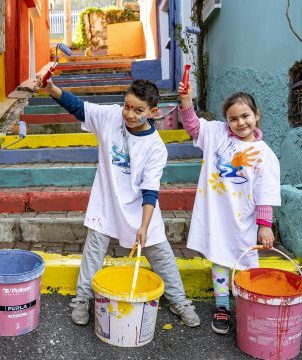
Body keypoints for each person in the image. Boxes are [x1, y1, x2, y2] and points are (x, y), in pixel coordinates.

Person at [36, 77, 201, 327]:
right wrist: (51, 89)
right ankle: (82, 299)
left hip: (140, 209)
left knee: (162, 254)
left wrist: (144, 226)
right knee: (93, 251)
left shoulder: (156, 148)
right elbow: (78, 107)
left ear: (153, 112)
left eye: (138, 110)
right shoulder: (112, 116)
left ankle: (179, 300)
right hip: (107, 202)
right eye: (127, 106)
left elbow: (150, 191)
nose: (130, 114)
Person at [178, 83, 281, 335]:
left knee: (246, 262)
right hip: (216, 216)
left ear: (257, 114)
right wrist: (186, 101)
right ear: (226, 121)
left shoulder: (265, 155)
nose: (240, 122)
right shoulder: (217, 133)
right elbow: (193, 126)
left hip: (243, 219)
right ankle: (222, 307)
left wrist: (264, 227)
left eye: (245, 116)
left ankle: (249, 307)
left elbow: (264, 194)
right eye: (233, 118)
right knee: (219, 262)